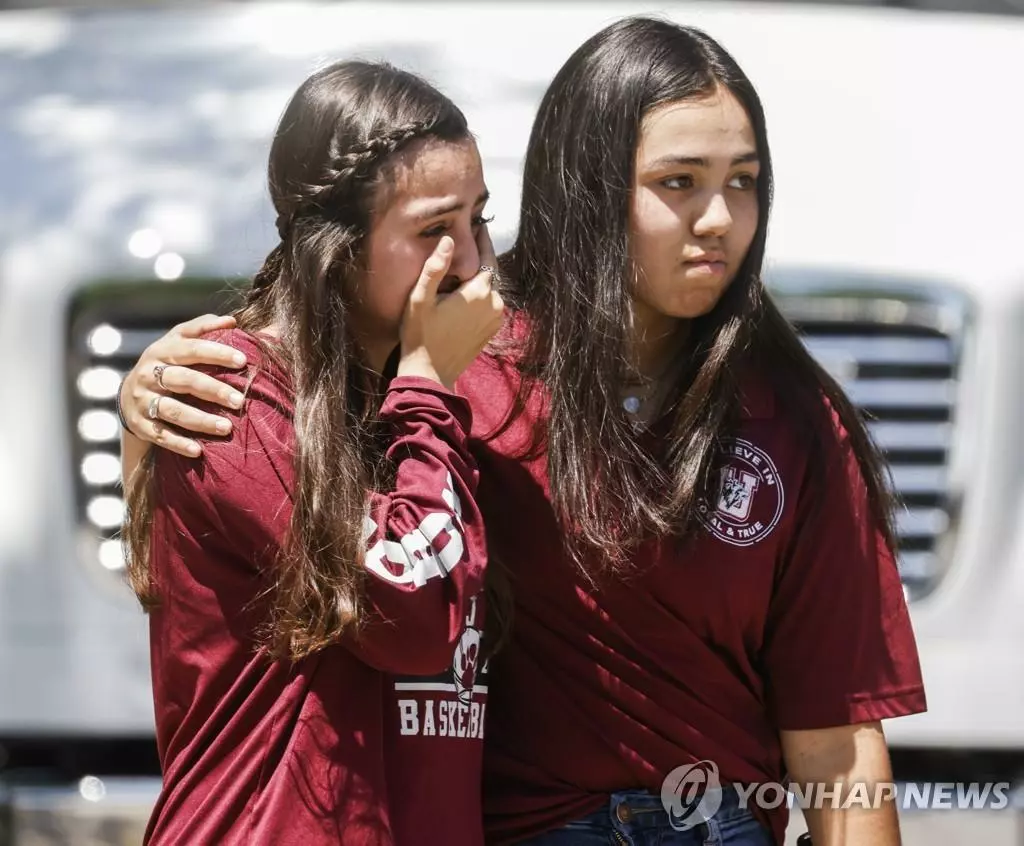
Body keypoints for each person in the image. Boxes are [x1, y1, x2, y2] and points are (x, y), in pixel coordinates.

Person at [119, 18, 926, 846]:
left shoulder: (796, 418)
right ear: (590, 184)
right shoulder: (450, 360)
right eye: (679, 181)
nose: (719, 218)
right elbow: (270, 506)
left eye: (745, 181)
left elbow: (840, 742)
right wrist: (144, 416)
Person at [118, 60, 505, 845]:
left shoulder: (450, 383)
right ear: (338, 248)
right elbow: (411, 611)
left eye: (480, 221)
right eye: (434, 230)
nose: (471, 262)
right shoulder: (232, 395)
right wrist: (429, 386)